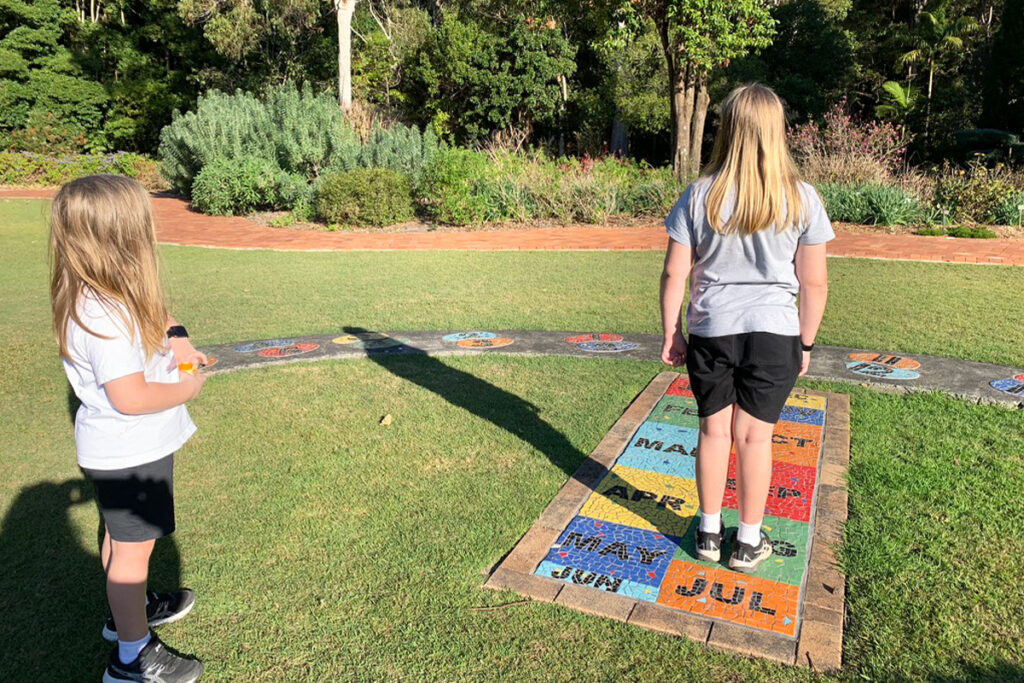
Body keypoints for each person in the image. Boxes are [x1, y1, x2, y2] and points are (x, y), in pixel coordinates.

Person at [659, 84, 832, 573]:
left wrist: (672, 333)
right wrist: (805, 342)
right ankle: (748, 543)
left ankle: (709, 533)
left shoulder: (699, 195)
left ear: (728, 130)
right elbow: (815, 283)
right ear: (777, 132)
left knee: (714, 432)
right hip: (775, 334)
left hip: (712, 330)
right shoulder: (802, 198)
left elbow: (674, 273)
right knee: (755, 438)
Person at [50, 174, 208, 682]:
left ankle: (130, 614)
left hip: (120, 449)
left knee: (122, 542)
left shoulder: (103, 291)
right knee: (131, 554)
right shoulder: (105, 314)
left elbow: (157, 312)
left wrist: (179, 340)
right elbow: (131, 396)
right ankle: (132, 657)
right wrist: (187, 388)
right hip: (131, 451)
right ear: (122, 235)